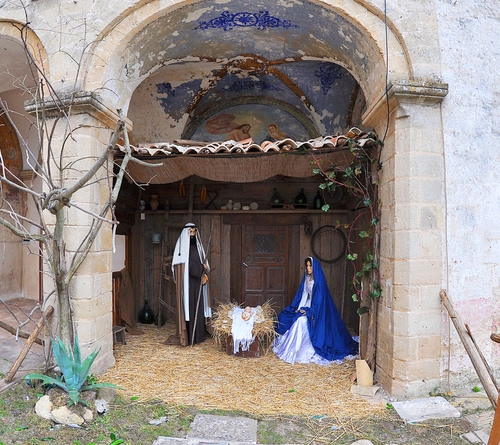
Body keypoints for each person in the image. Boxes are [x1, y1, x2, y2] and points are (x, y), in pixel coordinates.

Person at [273, 257, 358, 364]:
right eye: (307, 266)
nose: (308, 268)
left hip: (318, 308)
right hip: (308, 304)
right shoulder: (307, 278)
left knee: (300, 321)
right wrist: (298, 308)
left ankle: (299, 351)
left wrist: (310, 311)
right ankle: (290, 348)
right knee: (285, 316)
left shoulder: (319, 282)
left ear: (315, 267)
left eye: (310, 266)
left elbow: (320, 301)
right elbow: (304, 294)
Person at [166, 223, 211, 346]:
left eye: (194, 232)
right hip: (187, 284)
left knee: (198, 306)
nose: (192, 234)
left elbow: (203, 263)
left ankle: (199, 336)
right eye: (190, 232)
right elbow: (190, 267)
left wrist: (204, 270)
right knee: (189, 307)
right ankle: (189, 336)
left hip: (198, 282)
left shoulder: (198, 247)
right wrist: (201, 268)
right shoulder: (182, 249)